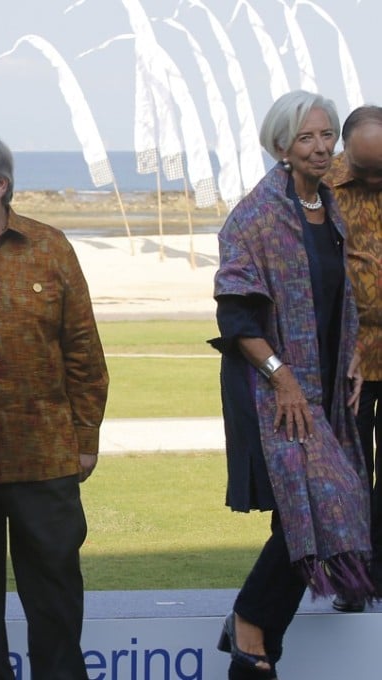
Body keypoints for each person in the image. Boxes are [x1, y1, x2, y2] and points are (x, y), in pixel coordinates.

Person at [211, 90, 373, 680]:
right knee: (336, 499)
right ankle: (252, 625)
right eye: (306, 137)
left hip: (325, 387)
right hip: (273, 388)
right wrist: (284, 381)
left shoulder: (328, 205)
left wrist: (351, 357)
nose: (321, 146)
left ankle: (253, 639)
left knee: (300, 515)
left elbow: (337, 298)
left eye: (326, 134)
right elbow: (236, 318)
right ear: (281, 146)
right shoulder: (255, 216)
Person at [0, 131, 109, 680]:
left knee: (55, 597)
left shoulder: (50, 247)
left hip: (45, 458)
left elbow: (84, 352)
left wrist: (85, 439)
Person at [323, 105, 382, 611]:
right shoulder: (320, 189)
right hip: (349, 360)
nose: (373, 178)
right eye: (364, 169)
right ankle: (353, 581)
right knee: (350, 474)